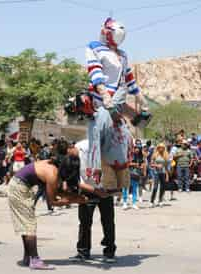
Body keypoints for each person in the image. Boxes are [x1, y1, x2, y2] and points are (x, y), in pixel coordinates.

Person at [85, 18, 148, 186]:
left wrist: (140, 97)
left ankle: (119, 175)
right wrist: (104, 94)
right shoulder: (94, 47)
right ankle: (94, 170)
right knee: (96, 133)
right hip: (101, 100)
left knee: (124, 136)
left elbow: (129, 79)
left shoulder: (123, 54)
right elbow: (95, 72)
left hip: (117, 99)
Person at [7, 149, 87, 270]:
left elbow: (57, 191)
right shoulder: (52, 174)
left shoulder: (54, 166)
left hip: (19, 186)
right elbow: (52, 201)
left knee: (26, 224)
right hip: (19, 188)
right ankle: (34, 260)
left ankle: (28, 257)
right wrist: (74, 200)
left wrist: (75, 197)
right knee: (29, 225)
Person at [69, 139, 118, 263]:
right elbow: (76, 179)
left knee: (108, 221)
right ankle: (83, 251)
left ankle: (109, 252)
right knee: (85, 222)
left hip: (105, 188)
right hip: (88, 188)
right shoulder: (79, 147)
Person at [122, 144, 145, 210]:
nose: (137, 149)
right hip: (127, 173)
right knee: (125, 188)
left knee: (135, 189)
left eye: (138, 148)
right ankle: (124, 203)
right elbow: (126, 163)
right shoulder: (129, 155)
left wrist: (142, 168)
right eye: (136, 148)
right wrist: (135, 164)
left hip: (136, 174)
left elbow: (143, 164)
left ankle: (134, 203)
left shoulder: (141, 156)